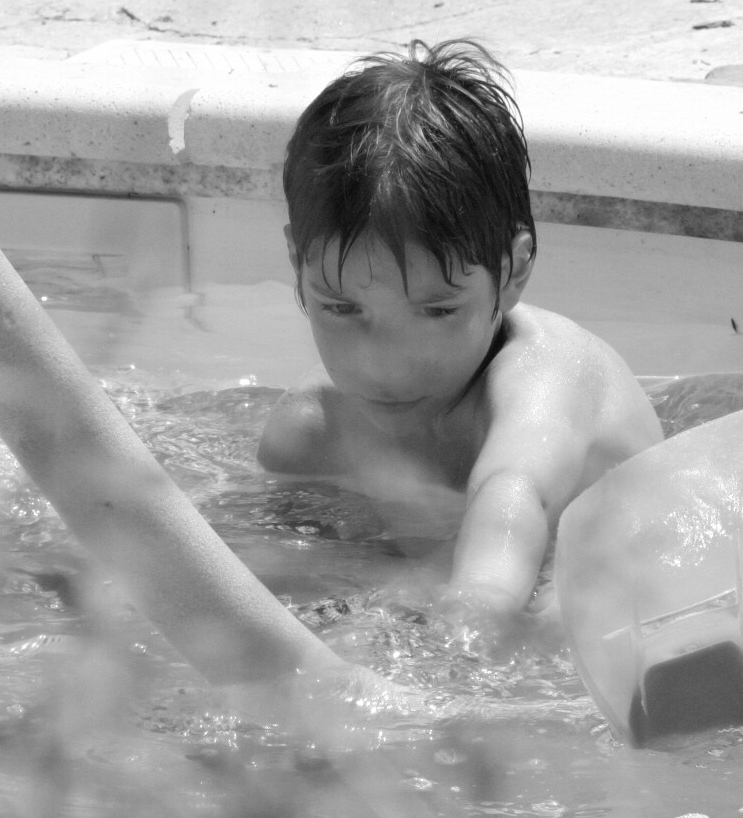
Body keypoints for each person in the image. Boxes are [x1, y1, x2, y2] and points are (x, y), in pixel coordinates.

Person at [259, 39, 663, 641]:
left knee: (565, 618)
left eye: (438, 310)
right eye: (342, 308)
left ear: (513, 269)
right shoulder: (315, 435)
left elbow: (514, 493)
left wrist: (470, 622)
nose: (385, 362)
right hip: (457, 554)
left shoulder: (546, 376)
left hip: (624, 557)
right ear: (297, 262)